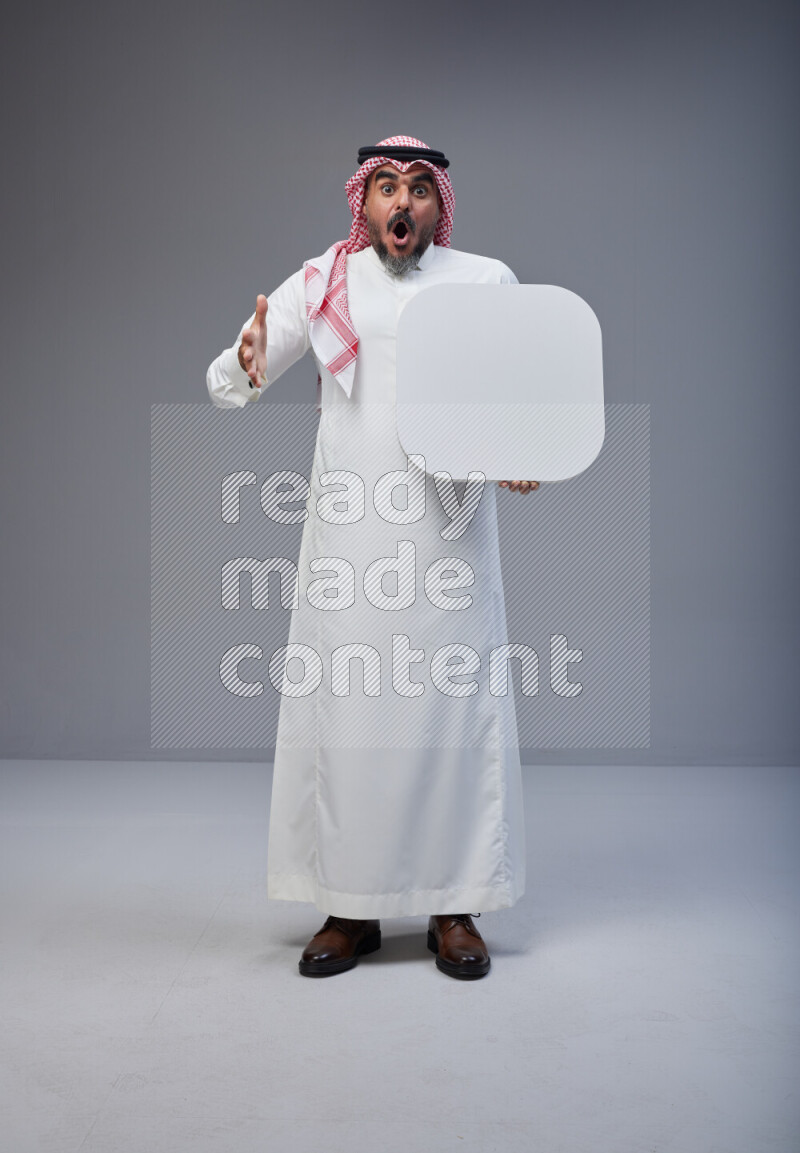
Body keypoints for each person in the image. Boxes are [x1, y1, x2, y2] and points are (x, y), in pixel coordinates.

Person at [206, 136, 539, 980]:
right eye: (387, 186)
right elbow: (235, 372)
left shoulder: (484, 282)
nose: (403, 202)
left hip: (450, 532)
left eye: (420, 189)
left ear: (440, 207)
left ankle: (455, 904)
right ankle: (349, 906)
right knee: (349, 710)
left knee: (452, 712)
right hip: (351, 530)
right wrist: (245, 364)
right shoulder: (325, 282)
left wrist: (522, 449)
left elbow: (519, 396)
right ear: (363, 203)